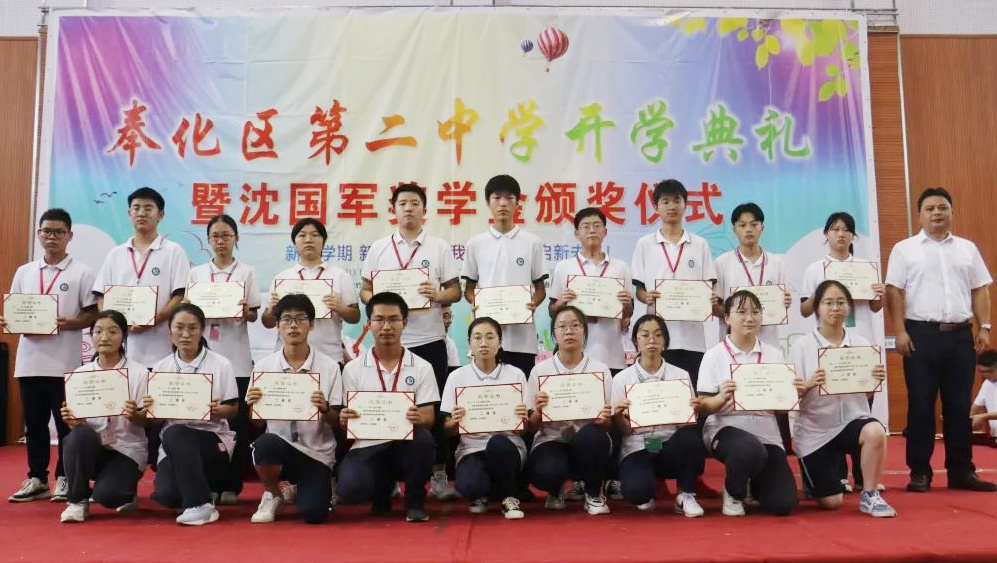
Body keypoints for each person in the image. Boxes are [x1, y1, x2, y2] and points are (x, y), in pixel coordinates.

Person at [885, 187, 996, 492]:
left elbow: (980, 289)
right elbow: (894, 291)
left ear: (951, 212)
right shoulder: (905, 249)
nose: (937, 213)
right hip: (920, 335)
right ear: (919, 215)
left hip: (960, 336)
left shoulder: (967, 249)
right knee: (921, 405)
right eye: (930, 208)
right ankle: (920, 472)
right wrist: (900, 331)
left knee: (959, 406)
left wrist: (984, 327)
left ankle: (961, 471)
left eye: (942, 207)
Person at [360, 183, 462, 501]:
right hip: (387, 343)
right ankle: (389, 477)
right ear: (393, 209)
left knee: (434, 411)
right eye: (402, 203)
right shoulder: (379, 248)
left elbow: (456, 291)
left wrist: (438, 295)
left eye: (414, 203)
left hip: (429, 339)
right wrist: (378, 300)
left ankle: (439, 475)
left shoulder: (439, 247)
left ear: (424, 210)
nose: (408, 208)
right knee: (388, 406)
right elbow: (364, 290)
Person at [3, 208, 97, 503]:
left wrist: (67, 323)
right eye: (47, 231)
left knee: (67, 423)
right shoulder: (25, 272)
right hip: (30, 361)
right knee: (34, 425)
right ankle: (37, 478)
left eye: (58, 232)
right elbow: (16, 307)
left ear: (70, 236)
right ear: (39, 234)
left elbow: (92, 314)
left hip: (65, 363)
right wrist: (11, 321)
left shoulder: (82, 272)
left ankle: (64, 477)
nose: (52, 237)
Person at [789, 280, 896, 517]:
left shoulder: (861, 345)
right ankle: (814, 479)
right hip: (816, 432)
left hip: (850, 422)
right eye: (828, 303)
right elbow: (789, 396)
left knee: (875, 431)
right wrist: (809, 384)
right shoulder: (802, 346)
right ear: (817, 308)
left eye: (840, 302)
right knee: (832, 502)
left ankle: (870, 495)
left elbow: (866, 394)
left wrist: (873, 381)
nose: (835, 308)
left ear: (849, 307)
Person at [697, 291, 801, 516]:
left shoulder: (774, 355)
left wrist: (793, 395)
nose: (749, 318)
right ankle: (733, 491)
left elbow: (781, 408)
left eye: (755, 312)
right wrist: (721, 397)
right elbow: (702, 404)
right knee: (748, 449)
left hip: (766, 432)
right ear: (727, 318)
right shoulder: (714, 356)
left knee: (782, 504)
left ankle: (753, 483)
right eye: (742, 312)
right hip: (725, 428)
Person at [337, 292, 439, 522]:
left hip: (406, 446)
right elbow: (348, 423)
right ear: (369, 324)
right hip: (368, 445)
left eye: (393, 319)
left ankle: (414, 500)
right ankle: (381, 493)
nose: (386, 326)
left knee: (423, 439)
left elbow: (429, 416)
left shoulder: (422, 367)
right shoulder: (353, 369)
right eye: (379, 319)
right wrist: (345, 419)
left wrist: (417, 417)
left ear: (405, 322)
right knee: (350, 490)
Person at [247, 294, 343, 524]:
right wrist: (254, 407)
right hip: (279, 448)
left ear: (312, 324)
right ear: (277, 325)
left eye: (300, 319)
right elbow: (256, 423)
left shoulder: (330, 367)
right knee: (264, 444)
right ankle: (273, 493)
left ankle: (315, 485)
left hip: (316, 453)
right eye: (286, 319)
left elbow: (337, 421)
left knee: (314, 514)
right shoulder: (263, 367)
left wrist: (325, 408)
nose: (293, 325)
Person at [186, 214, 260, 505]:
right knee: (204, 420)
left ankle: (231, 484)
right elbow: (189, 314)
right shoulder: (197, 274)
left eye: (226, 235)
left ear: (236, 239)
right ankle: (208, 482)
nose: (220, 241)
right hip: (204, 358)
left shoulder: (247, 272)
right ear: (208, 240)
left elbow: (253, 314)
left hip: (237, 357)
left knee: (237, 424)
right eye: (215, 236)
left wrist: (244, 310)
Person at [147, 304, 239, 525]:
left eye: (192, 328)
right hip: (173, 443)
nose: (186, 334)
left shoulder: (221, 364)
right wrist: (151, 409)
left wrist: (217, 410)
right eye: (179, 327)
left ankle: (200, 505)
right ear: (170, 330)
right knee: (166, 495)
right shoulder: (160, 367)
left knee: (175, 433)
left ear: (202, 330)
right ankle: (202, 494)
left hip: (212, 437)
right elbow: (156, 420)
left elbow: (233, 409)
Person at [58, 310, 148, 522]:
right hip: (94, 448)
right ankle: (77, 500)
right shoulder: (80, 375)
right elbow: (75, 425)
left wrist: (134, 415)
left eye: (113, 331)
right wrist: (72, 421)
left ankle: (126, 490)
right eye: (98, 331)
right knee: (79, 436)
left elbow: (148, 421)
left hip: (126, 449)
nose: (104, 337)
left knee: (109, 496)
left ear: (124, 335)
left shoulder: (139, 373)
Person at [612, 314, 706, 517]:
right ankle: (646, 488)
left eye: (657, 334)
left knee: (690, 437)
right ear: (636, 340)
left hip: (670, 444)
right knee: (637, 493)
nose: (651, 340)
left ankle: (685, 495)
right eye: (644, 335)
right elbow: (625, 430)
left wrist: (692, 413)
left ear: (665, 340)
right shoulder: (621, 379)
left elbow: (685, 425)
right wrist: (618, 416)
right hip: (639, 446)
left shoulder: (680, 375)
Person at [526, 306, 614, 515]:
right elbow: (530, 426)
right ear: (554, 333)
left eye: (575, 326)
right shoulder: (540, 371)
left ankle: (593, 493)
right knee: (546, 471)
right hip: (552, 439)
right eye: (562, 327)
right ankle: (555, 490)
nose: (569, 331)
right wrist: (538, 411)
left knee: (594, 437)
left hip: (587, 440)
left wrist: (604, 419)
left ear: (584, 331)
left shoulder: (600, 370)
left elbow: (610, 423)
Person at [631, 179, 718, 387]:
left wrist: (710, 298)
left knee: (690, 394)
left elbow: (709, 287)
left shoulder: (700, 244)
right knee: (660, 393)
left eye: (677, 201)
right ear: (656, 207)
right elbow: (639, 291)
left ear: (685, 204)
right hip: (657, 338)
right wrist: (646, 296)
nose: (672, 206)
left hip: (693, 339)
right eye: (666, 201)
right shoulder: (645, 244)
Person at [92, 187, 190, 369]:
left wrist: (153, 320)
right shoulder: (116, 254)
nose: (141, 213)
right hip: (119, 352)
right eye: (136, 208)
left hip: (161, 351)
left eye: (148, 208)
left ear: (160, 215)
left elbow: (180, 296)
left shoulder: (174, 251)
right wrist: (113, 325)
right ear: (129, 214)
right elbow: (101, 296)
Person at [440, 317, 529, 519]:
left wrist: (523, 419)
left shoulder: (515, 375)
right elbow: (447, 428)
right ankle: (483, 492)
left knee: (498, 444)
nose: (483, 343)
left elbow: (525, 428)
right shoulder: (457, 377)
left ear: (500, 342)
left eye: (490, 337)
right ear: (469, 343)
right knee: (470, 485)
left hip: (508, 446)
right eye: (477, 337)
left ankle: (509, 496)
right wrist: (453, 423)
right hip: (471, 448)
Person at [461, 175, 547, 378]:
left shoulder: (532, 242)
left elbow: (541, 289)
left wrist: (532, 303)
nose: (503, 203)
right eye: (497, 197)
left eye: (509, 198)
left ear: (518, 203)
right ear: (488, 202)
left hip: (522, 339)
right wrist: (476, 302)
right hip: (486, 340)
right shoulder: (476, 243)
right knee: (487, 392)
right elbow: (469, 288)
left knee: (520, 392)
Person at [261, 218, 360, 362]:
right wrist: (271, 310)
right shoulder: (282, 278)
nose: (308, 240)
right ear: (294, 242)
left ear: (323, 241)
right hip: (287, 359)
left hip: (329, 356)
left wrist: (339, 307)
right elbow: (267, 323)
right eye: (302, 235)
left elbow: (355, 317)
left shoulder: (340, 275)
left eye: (314, 235)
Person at [549, 207, 634, 372]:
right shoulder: (563, 267)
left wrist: (626, 304)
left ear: (605, 231)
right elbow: (552, 311)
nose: (592, 230)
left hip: (611, 354)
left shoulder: (620, 267)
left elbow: (628, 314)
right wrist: (561, 303)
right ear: (577, 234)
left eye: (597, 225)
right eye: (586, 226)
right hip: (573, 357)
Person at [800, 212, 885, 344]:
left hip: (862, 337)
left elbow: (875, 308)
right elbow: (805, 311)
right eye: (835, 229)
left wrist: (879, 295)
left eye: (846, 230)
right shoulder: (814, 269)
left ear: (853, 236)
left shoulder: (865, 268)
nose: (841, 234)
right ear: (826, 234)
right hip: (827, 340)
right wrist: (820, 292)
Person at [713, 203, 791, 349]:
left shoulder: (777, 263)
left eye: (754, 224)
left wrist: (784, 302)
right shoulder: (721, 263)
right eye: (742, 225)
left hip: (768, 344)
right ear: (734, 229)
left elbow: (781, 304)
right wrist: (741, 315)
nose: (748, 229)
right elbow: (715, 307)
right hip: (733, 346)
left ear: (762, 228)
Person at [971, 350, 997, 444]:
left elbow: (982, 416)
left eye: (989, 371)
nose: (985, 375)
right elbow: (974, 410)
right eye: (982, 372)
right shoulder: (987, 384)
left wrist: (984, 416)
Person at [444, 306, 462, 371]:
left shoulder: (450, 343)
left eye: (450, 316)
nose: (450, 321)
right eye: (446, 316)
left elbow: (455, 371)